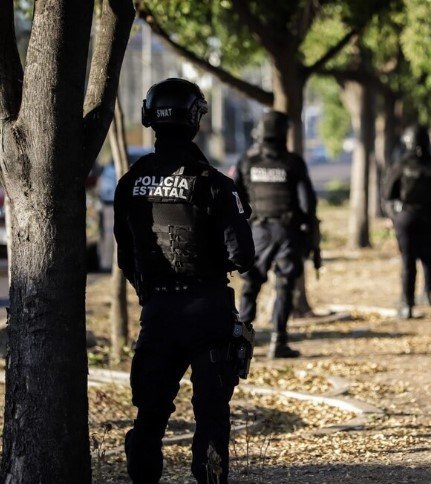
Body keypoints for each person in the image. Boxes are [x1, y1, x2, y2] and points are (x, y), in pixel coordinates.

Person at [114, 78, 255, 484]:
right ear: (195, 119)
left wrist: (151, 291)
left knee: (149, 414)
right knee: (211, 413)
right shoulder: (214, 183)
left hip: (158, 312)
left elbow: (126, 255)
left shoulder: (130, 182)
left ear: (149, 118)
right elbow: (242, 256)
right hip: (208, 311)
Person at [233, 109, 321, 359]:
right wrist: (309, 232)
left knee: (251, 284)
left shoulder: (247, 161)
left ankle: (240, 344)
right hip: (287, 232)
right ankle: (278, 342)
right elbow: (308, 204)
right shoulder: (293, 163)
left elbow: (235, 197)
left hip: (258, 231)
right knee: (284, 286)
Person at [384, 125, 431, 320]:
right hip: (429, 218)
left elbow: (388, 194)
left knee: (408, 264)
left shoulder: (400, 165)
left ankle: (407, 305)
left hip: (407, 220)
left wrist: (394, 216)